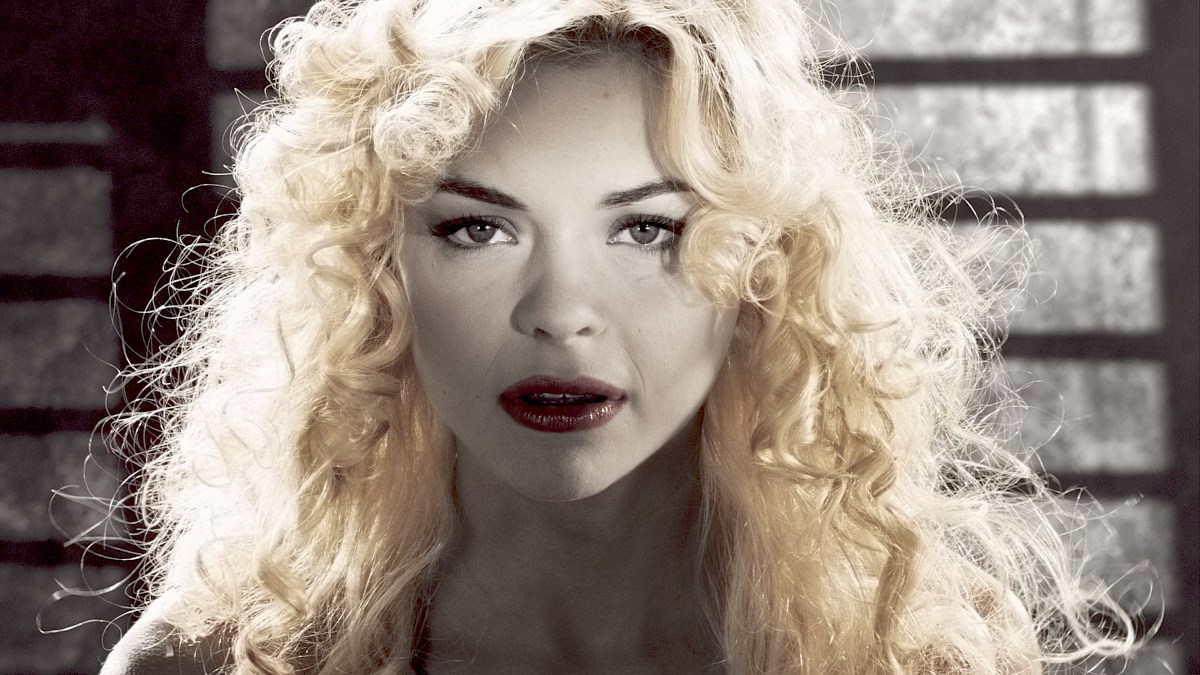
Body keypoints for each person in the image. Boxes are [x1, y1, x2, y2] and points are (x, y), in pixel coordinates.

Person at [98, 0, 1147, 673]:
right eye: (478, 228)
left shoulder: (915, 650)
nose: (560, 311)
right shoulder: (219, 660)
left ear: (763, 266)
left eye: (647, 230)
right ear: (377, 271)